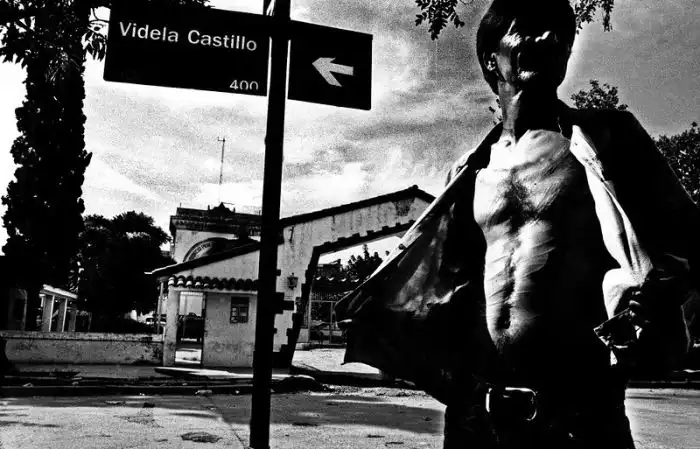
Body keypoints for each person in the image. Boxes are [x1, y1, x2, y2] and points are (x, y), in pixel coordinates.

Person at [335, 0, 700, 448]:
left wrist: (651, 302)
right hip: (478, 419)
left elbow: (689, 241)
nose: (550, 39)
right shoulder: (468, 172)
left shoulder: (606, 137)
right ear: (491, 57)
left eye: (562, 34)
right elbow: (452, 289)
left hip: (579, 419)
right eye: (530, 28)